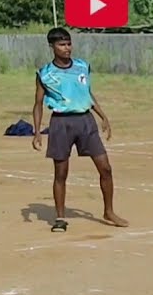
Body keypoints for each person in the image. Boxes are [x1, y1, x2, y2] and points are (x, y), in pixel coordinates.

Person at [30, 27, 127, 231]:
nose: (67, 48)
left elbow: (88, 94)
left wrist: (103, 116)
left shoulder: (82, 66)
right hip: (61, 123)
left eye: (69, 43)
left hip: (86, 121)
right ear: (52, 46)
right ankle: (60, 218)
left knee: (105, 168)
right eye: (61, 44)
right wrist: (37, 131)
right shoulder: (45, 74)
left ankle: (108, 211)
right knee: (61, 173)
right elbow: (38, 103)